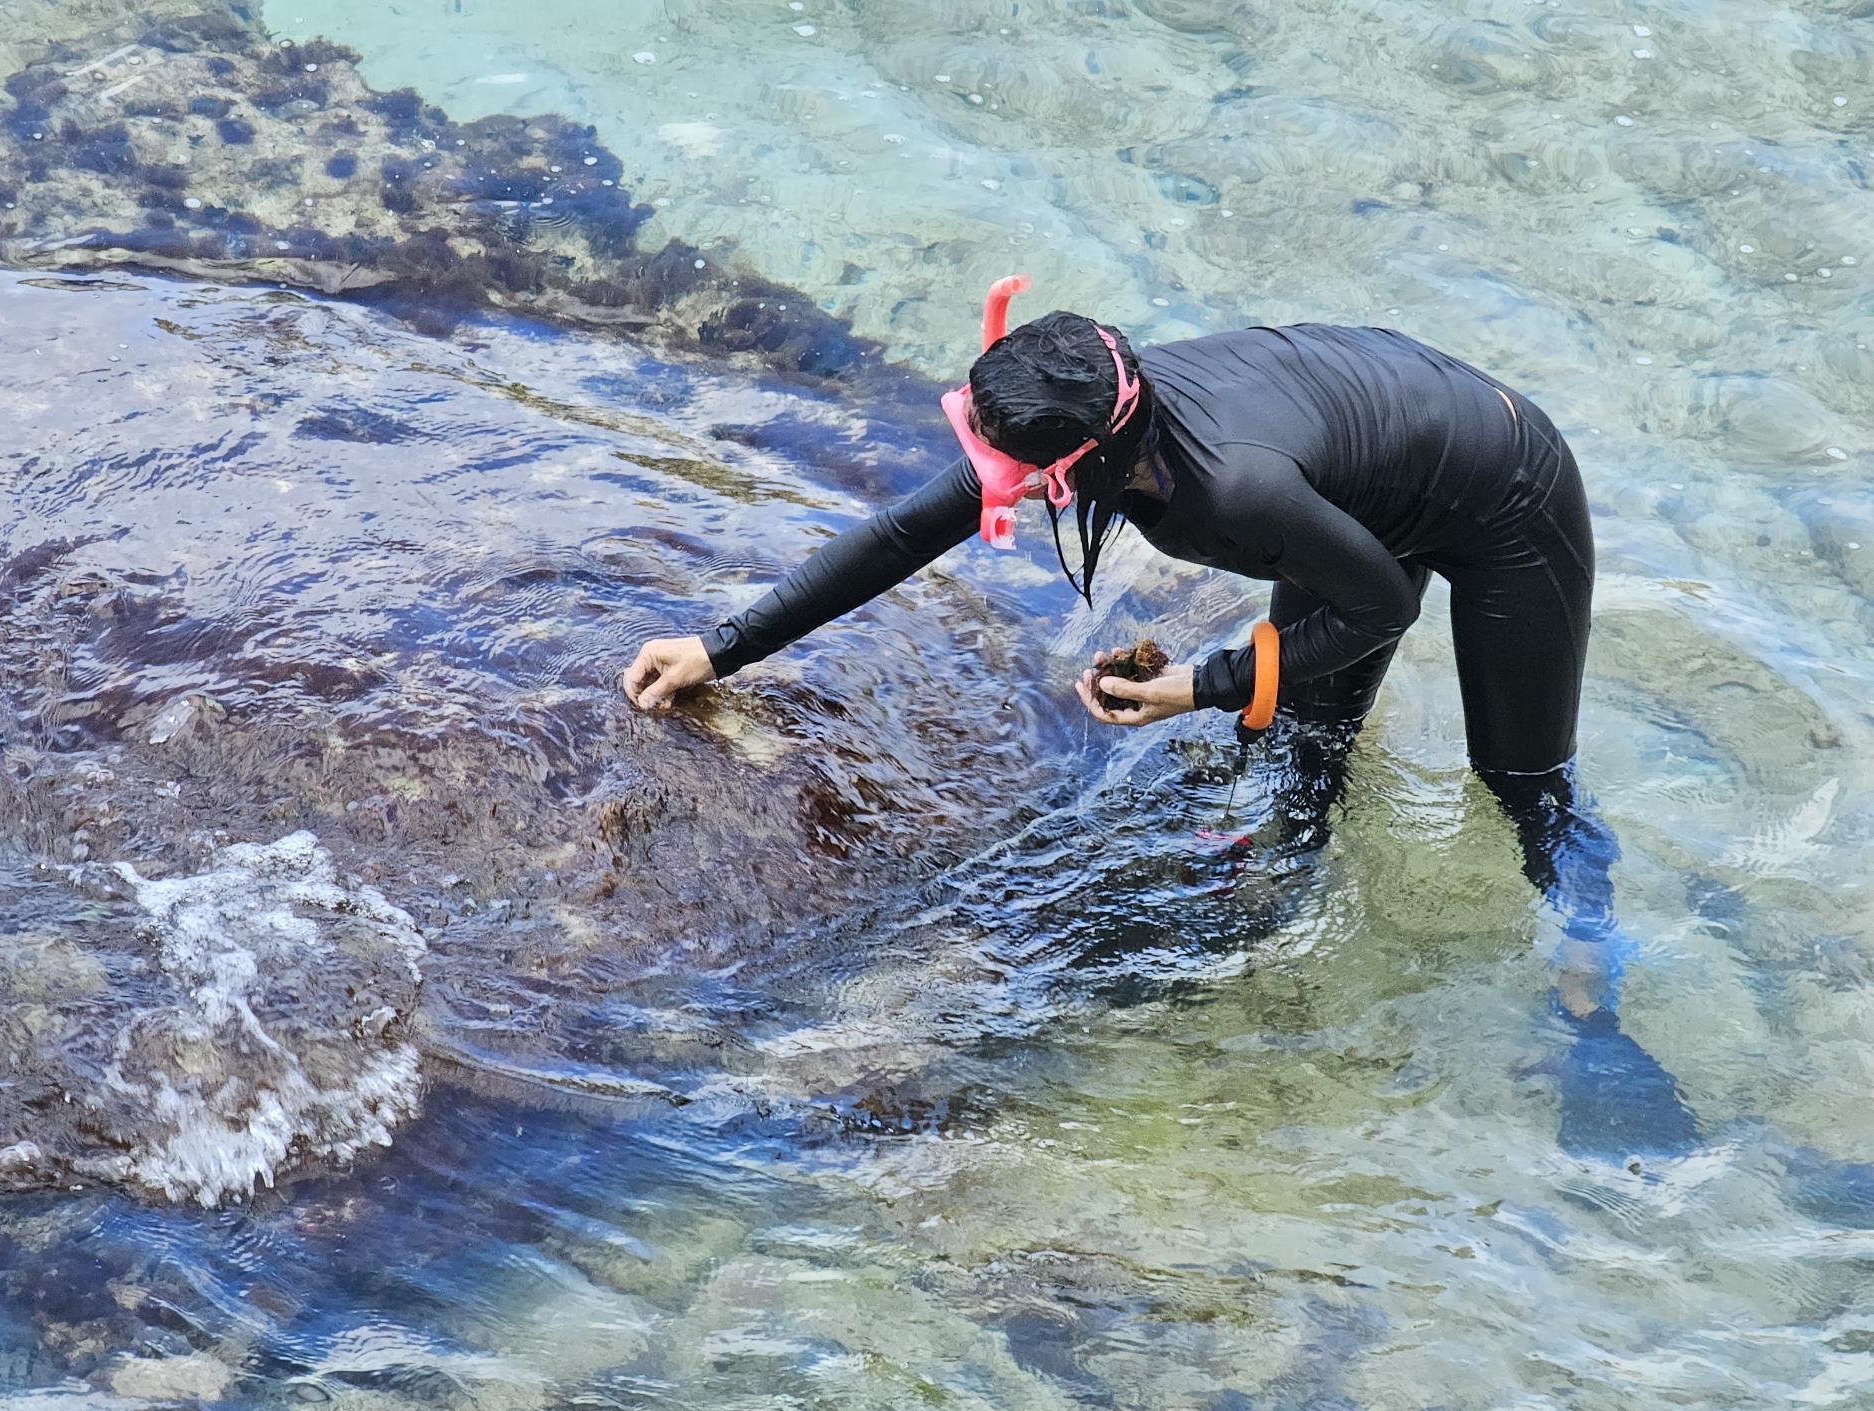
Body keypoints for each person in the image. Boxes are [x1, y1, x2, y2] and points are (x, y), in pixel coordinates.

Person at [622, 285, 1696, 1155]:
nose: (985, 476)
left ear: (1089, 451)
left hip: (1504, 496)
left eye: (1010, 465)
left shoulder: (1231, 492)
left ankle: (1591, 998)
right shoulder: (1096, 405)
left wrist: (1201, 682)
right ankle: (1280, 944)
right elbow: (908, 529)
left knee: (1521, 787)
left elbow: (1384, 605)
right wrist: (724, 644)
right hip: (1368, 496)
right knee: (1300, 756)